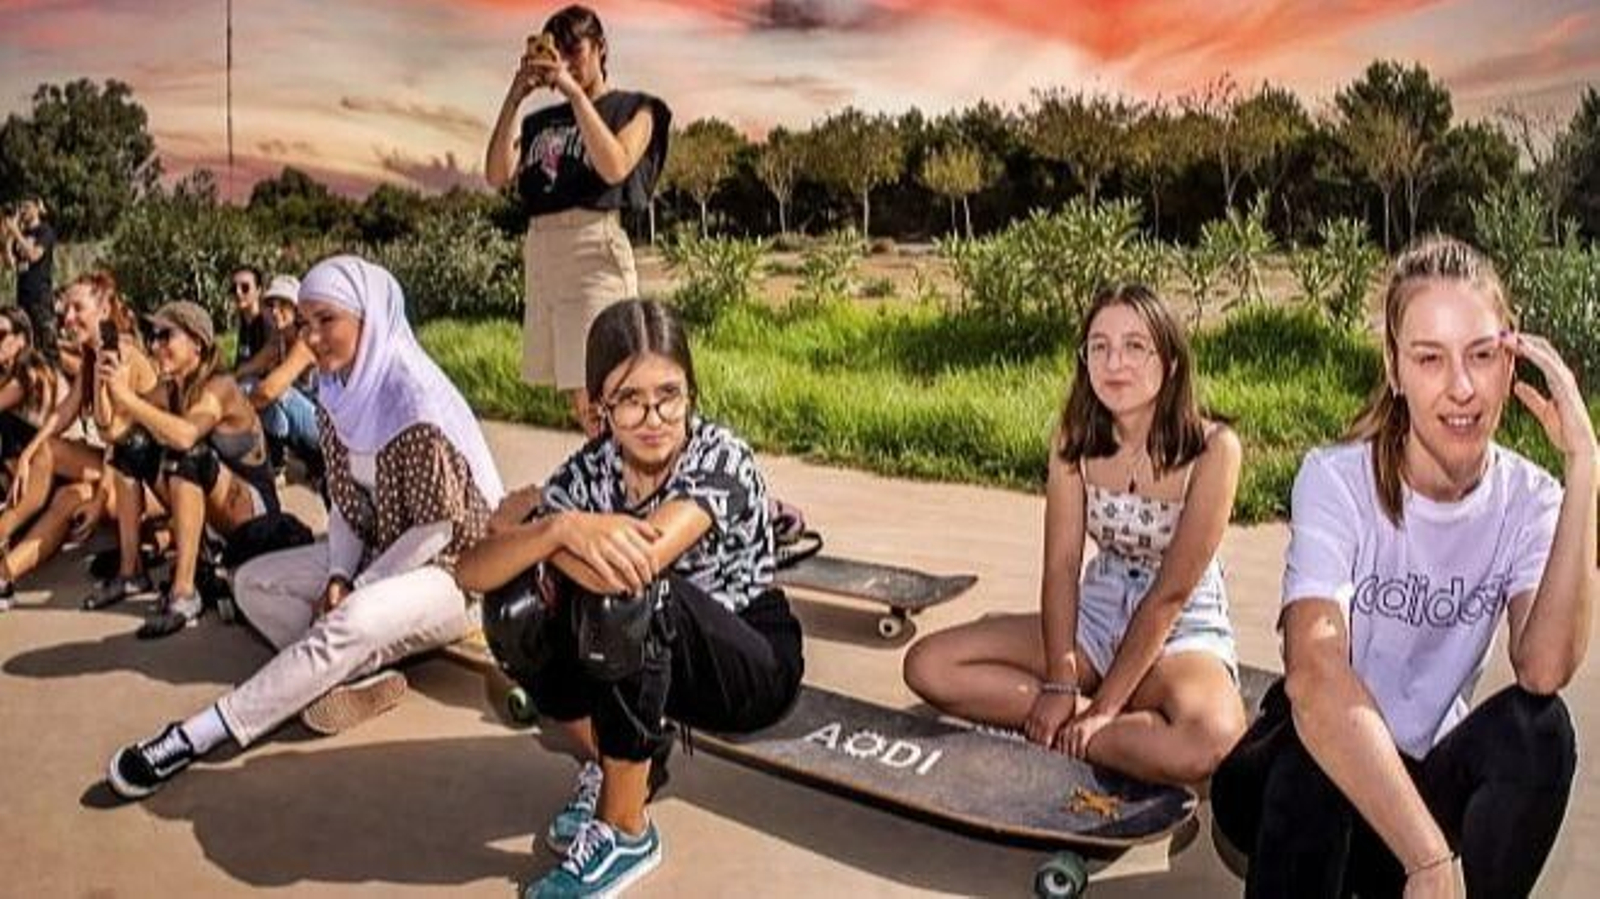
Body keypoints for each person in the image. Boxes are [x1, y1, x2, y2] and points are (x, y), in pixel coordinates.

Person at [1211, 236, 1596, 898]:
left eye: (1482, 355)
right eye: (1430, 358)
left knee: (1542, 732)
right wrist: (1427, 854)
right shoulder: (1336, 480)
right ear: (1394, 368)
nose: (1462, 387)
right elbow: (1314, 671)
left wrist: (1584, 464)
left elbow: (1545, 666)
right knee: (1318, 745)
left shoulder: (1531, 501)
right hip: (1298, 781)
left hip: (1421, 783)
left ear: (1512, 365)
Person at [106, 255, 503, 798]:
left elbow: (435, 531)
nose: (311, 337)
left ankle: (197, 734)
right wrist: (339, 573)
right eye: (305, 322)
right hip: (380, 553)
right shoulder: (339, 393)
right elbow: (343, 504)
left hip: (459, 572)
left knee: (355, 616)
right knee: (251, 583)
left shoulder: (414, 399)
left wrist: (353, 588)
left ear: (369, 317)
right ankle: (353, 673)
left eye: (327, 321)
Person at [457, 299, 803, 898]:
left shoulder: (720, 456)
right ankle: (617, 766)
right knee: (514, 605)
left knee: (630, 594)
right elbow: (472, 572)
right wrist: (557, 530)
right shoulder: (590, 473)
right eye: (629, 399)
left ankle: (625, 831)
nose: (653, 417)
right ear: (598, 409)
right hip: (654, 659)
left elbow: (639, 561)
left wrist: (528, 529)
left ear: (691, 393)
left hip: (746, 660)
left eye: (669, 394)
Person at [902, 284, 1246, 786]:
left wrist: (1103, 709)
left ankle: (1088, 729)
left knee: (1209, 740)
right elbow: (1061, 567)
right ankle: (1088, 721)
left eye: (1135, 346)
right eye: (1099, 347)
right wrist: (1061, 681)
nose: (1115, 363)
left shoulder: (1214, 450)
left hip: (1181, 628)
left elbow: (1170, 595)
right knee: (929, 665)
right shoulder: (1075, 440)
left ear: (1170, 361)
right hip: (1098, 609)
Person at [484, 3, 671, 436]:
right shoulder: (539, 122)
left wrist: (573, 91)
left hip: (593, 245)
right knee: (581, 400)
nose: (564, 59)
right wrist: (516, 94)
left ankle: (636, 490)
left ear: (600, 48)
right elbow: (496, 174)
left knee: (611, 389)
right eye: (555, 50)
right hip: (544, 251)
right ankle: (607, 488)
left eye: (574, 49)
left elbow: (615, 165)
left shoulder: (636, 107)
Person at [99, 300, 281, 638]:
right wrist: (106, 384)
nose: (155, 346)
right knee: (130, 450)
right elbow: (110, 430)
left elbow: (185, 436)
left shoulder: (220, 387)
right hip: (211, 505)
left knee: (187, 455)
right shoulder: (171, 389)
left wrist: (129, 399)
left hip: (254, 514)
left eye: (166, 336)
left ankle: (184, 593)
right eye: (153, 337)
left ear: (196, 343)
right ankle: (130, 572)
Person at [4, 272, 159, 607]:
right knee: (67, 493)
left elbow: (120, 440)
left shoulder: (122, 356)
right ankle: (4, 574)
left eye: (77, 308)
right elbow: (66, 411)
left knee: (71, 486)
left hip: (149, 482)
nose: (68, 318)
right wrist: (29, 453)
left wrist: (101, 499)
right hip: (118, 466)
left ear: (103, 310)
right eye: (65, 310)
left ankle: (3, 536)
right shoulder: (93, 353)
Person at [0, 308, 64, 610]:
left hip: (56, 468)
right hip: (37, 467)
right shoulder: (12, 371)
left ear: (22, 338)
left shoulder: (30, 369)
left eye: (1, 335)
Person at [236, 274, 323, 482]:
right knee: (248, 384)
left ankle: (312, 460)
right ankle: (278, 460)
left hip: (325, 429)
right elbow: (247, 369)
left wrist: (232, 410)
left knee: (278, 392)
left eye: (282, 305)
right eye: (271, 305)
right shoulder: (279, 340)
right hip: (304, 423)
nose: (275, 311)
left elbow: (269, 391)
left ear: (297, 309)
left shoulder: (306, 341)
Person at [3, 198, 58, 358]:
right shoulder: (22, 234)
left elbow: (34, 255)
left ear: (37, 208)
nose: (23, 210)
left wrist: (16, 232)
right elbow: (9, 264)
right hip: (22, 298)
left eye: (27, 206)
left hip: (40, 297)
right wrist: (8, 237)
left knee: (46, 345)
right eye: (21, 207)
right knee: (27, 345)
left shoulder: (45, 231)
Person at [227, 266, 272, 370]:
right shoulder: (244, 320)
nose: (238, 293)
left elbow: (267, 364)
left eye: (245, 288)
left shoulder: (267, 322)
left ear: (258, 290)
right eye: (234, 288)